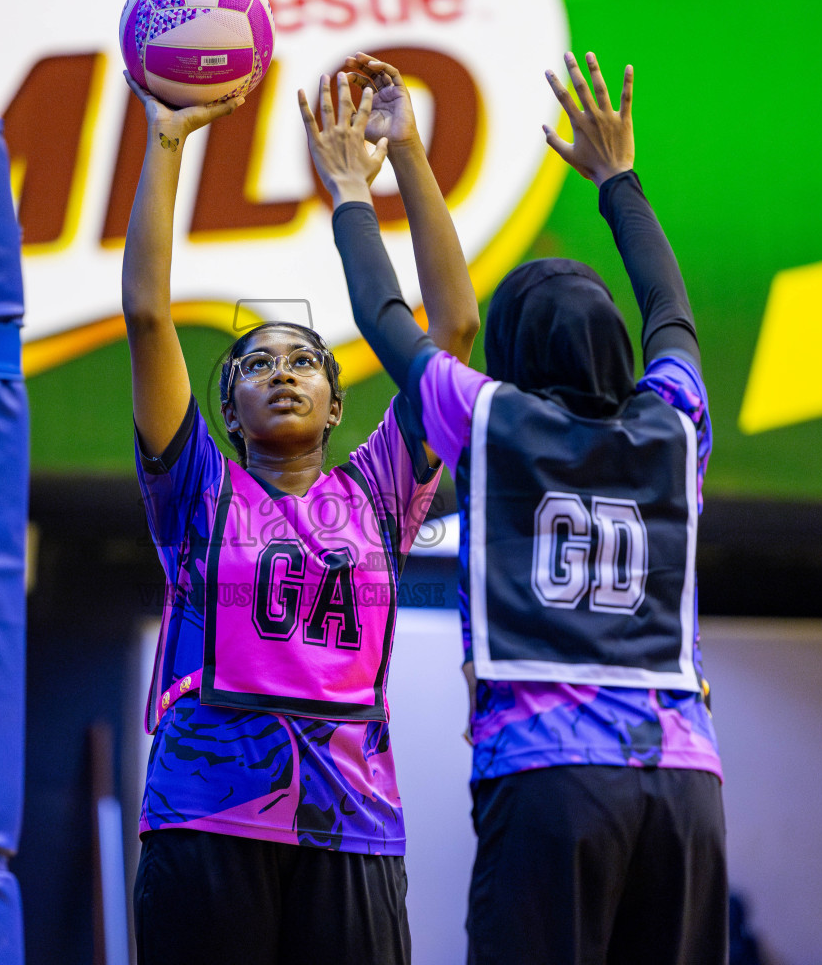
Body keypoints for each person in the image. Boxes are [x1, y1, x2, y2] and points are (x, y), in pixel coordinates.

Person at [307, 52, 726, 964]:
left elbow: (388, 319)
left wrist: (351, 190)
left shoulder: (490, 417)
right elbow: (673, 312)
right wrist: (619, 180)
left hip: (552, 778)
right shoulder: (673, 423)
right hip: (686, 780)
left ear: (514, 353)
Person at [120, 55, 478, 965]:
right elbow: (148, 316)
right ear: (226, 410)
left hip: (350, 821)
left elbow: (455, 332)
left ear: (337, 402)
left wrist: (406, 160)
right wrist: (167, 139)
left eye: (303, 361)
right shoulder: (197, 490)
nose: (281, 372)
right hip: (208, 813)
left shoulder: (380, 491)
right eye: (254, 365)